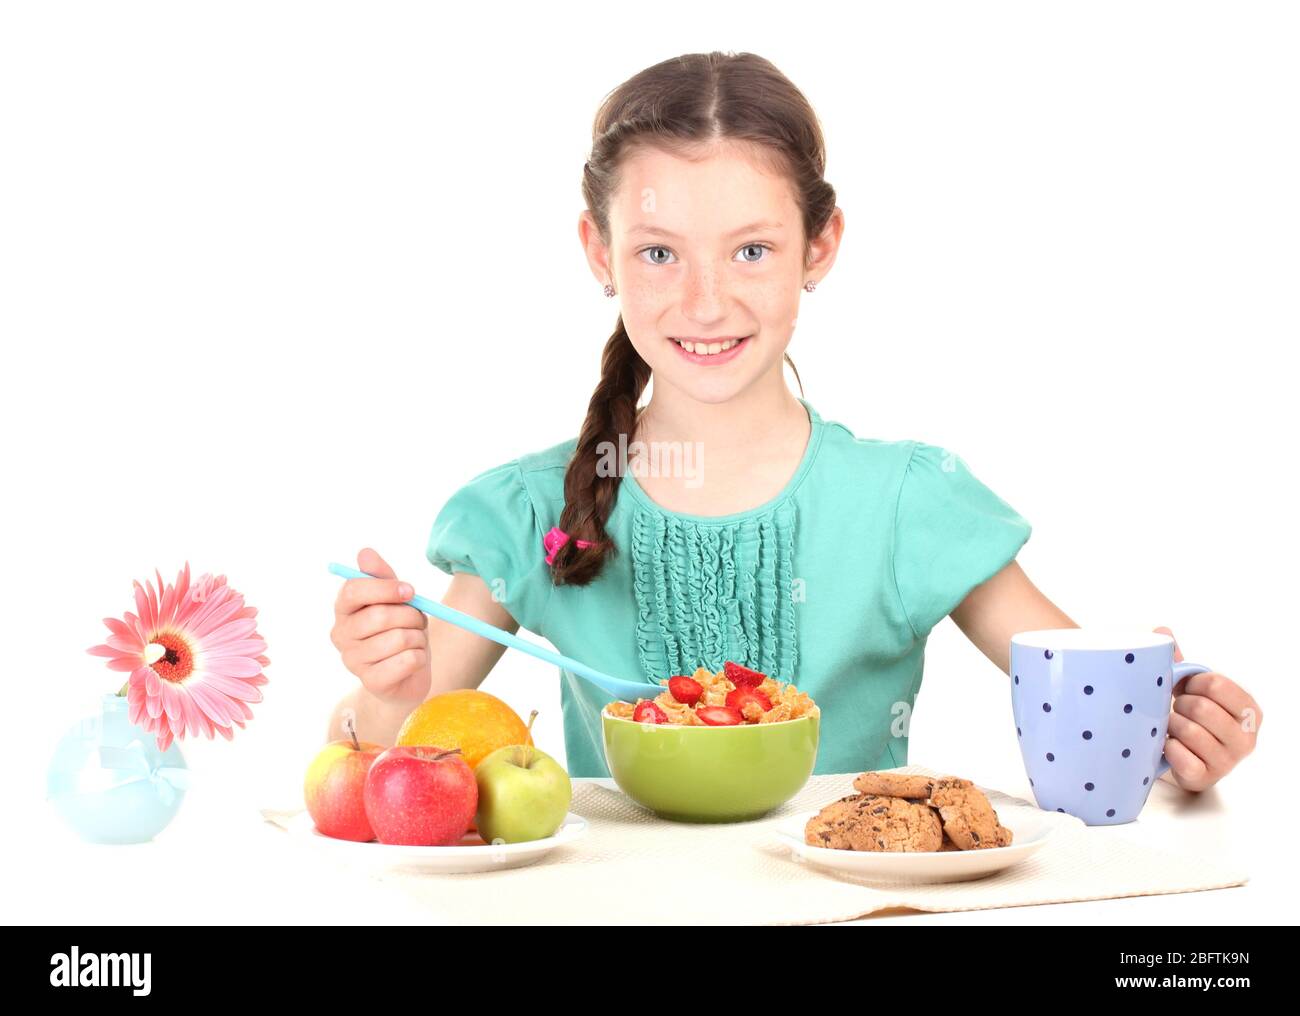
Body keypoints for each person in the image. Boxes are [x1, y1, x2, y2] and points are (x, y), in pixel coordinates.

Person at [327, 51, 1260, 791]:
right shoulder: (533, 513)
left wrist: (1179, 729)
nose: (705, 299)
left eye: (752, 250)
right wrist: (385, 691)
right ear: (597, 252)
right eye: (659, 251)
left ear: (820, 247)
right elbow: (384, 767)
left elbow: (1091, 702)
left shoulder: (904, 503)